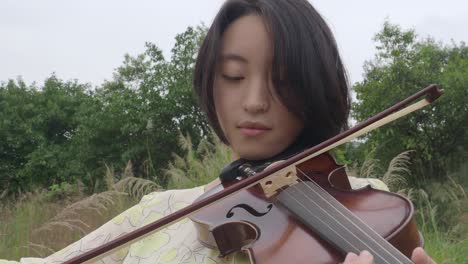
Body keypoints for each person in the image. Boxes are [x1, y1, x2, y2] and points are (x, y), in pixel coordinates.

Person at [0, 0, 435, 263]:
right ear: (210, 79)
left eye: (282, 81)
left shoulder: (371, 205)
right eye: (233, 75)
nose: (254, 101)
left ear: (315, 88)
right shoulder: (157, 211)